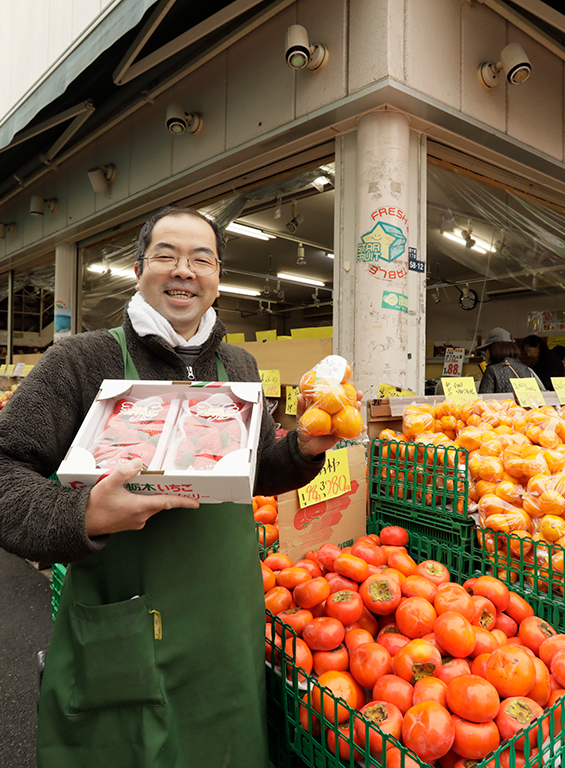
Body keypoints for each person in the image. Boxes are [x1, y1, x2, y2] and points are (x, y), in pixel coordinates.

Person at [0, 206, 361, 768]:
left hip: (224, 619)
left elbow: (256, 466)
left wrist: (300, 452)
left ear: (218, 277)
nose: (183, 270)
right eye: (166, 255)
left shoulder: (238, 365)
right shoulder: (81, 359)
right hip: (123, 613)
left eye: (201, 258)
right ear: (140, 268)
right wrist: (82, 515)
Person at [477, 327, 544, 394]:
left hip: (503, 404)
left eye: (486, 349)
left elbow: (484, 398)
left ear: (494, 349)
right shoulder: (525, 369)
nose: (486, 354)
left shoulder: (492, 370)